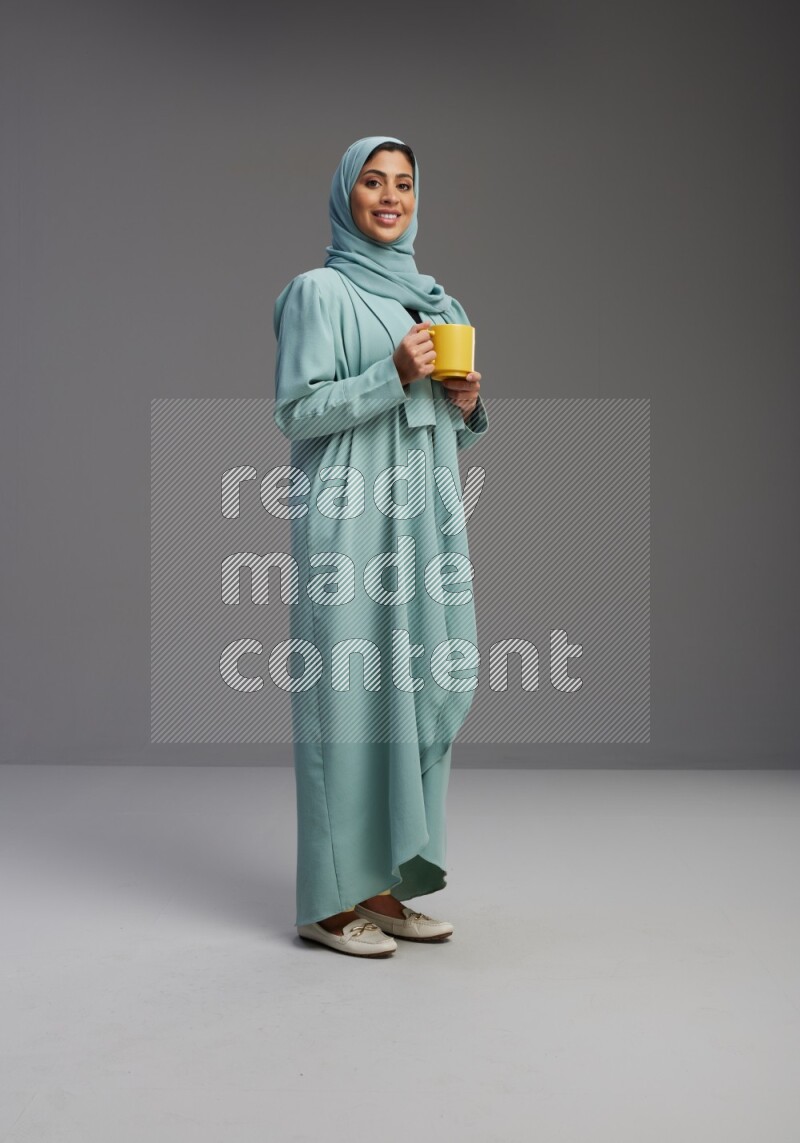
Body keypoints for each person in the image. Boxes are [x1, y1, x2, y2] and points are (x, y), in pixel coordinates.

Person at [272, 135, 489, 957]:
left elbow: (439, 432)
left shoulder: (440, 302)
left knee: (431, 684)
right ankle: (326, 902)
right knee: (348, 704)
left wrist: (465, 404)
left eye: (403, 183)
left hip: (425, 521)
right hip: (349, 520)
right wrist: (391, 373)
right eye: (373, 182)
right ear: (345, 194)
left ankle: (383, 880)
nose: (389, 197)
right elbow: (297, 412)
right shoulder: (317, 293)